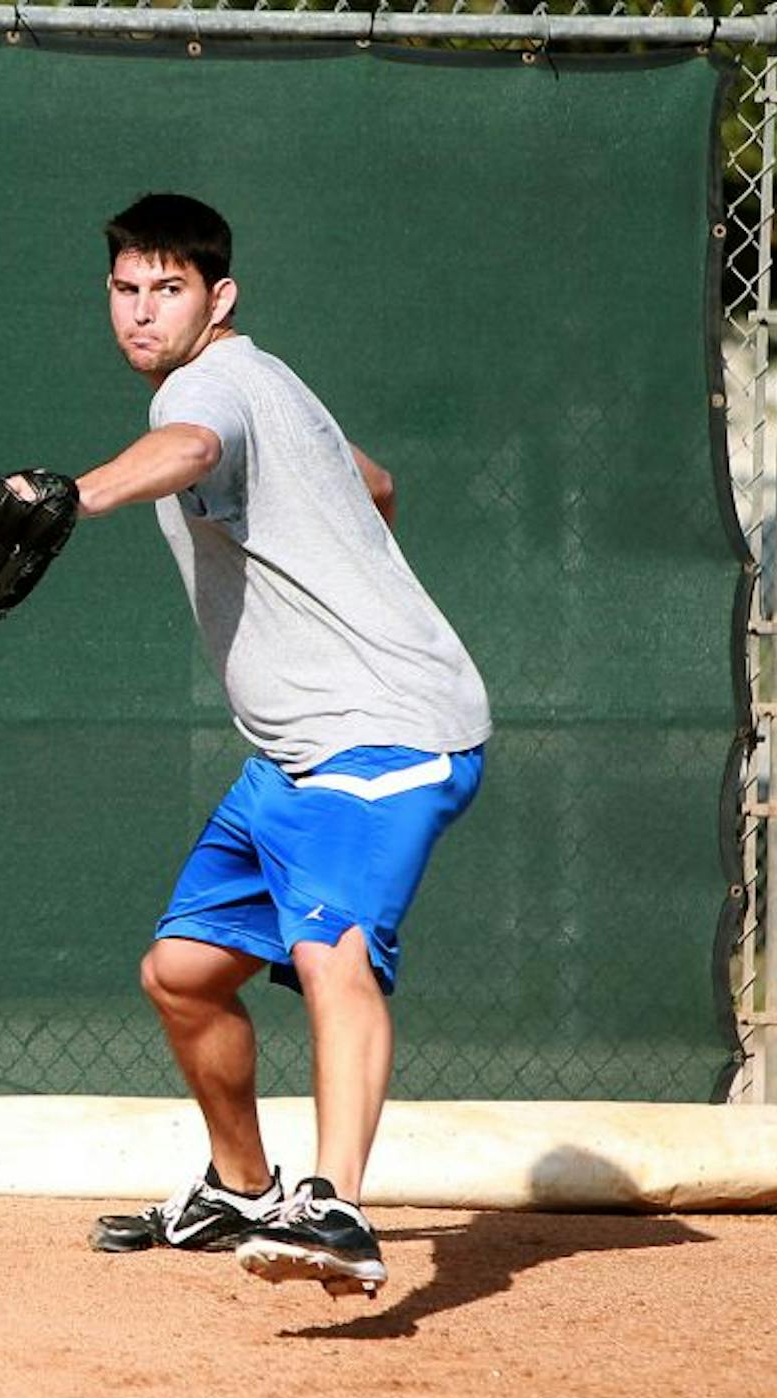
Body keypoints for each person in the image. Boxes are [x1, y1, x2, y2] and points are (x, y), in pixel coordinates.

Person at [59, 194, 490, 1294]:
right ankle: (243, 1187)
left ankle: (334, 1204)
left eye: (170, 287)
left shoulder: (209, 389)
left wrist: (72, 496)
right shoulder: (275, 379)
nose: (144, 310)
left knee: (330, 950)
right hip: (294, 755)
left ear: (220, 297)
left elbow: (193, 443)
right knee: (185, 974)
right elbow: (377, 485)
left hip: (380, 738)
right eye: (128, 287)